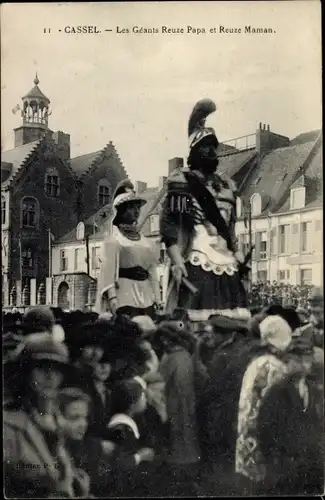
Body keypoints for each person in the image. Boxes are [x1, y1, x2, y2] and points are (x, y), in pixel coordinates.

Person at [159, 99, 251, 325]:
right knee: (196, 320)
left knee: (230, 320)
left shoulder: (228, 185)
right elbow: (169, 226)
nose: (212, 152)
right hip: (195, 257)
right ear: (195, 151)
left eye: (214, 146)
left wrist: (238, 253)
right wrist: (177, 261)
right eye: (206, 147)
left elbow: (229, 227)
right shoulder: (182, 181)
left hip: (226, 260)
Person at [4, 334, 89, 498]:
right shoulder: (8, 425)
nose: (51, 377)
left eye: (57, 370)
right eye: (42, 368)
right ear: (24, 373)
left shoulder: (55, 421)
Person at [96, 179, 161, 319]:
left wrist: (157, 298)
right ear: (121, 210)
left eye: (138, 207)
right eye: (132, 207)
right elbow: (107, 275)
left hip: (146, 297)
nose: (136, 211)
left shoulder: (147, 242)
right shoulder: (113, 241)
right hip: (124, 297)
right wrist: (113, 299)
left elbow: (152, 273)